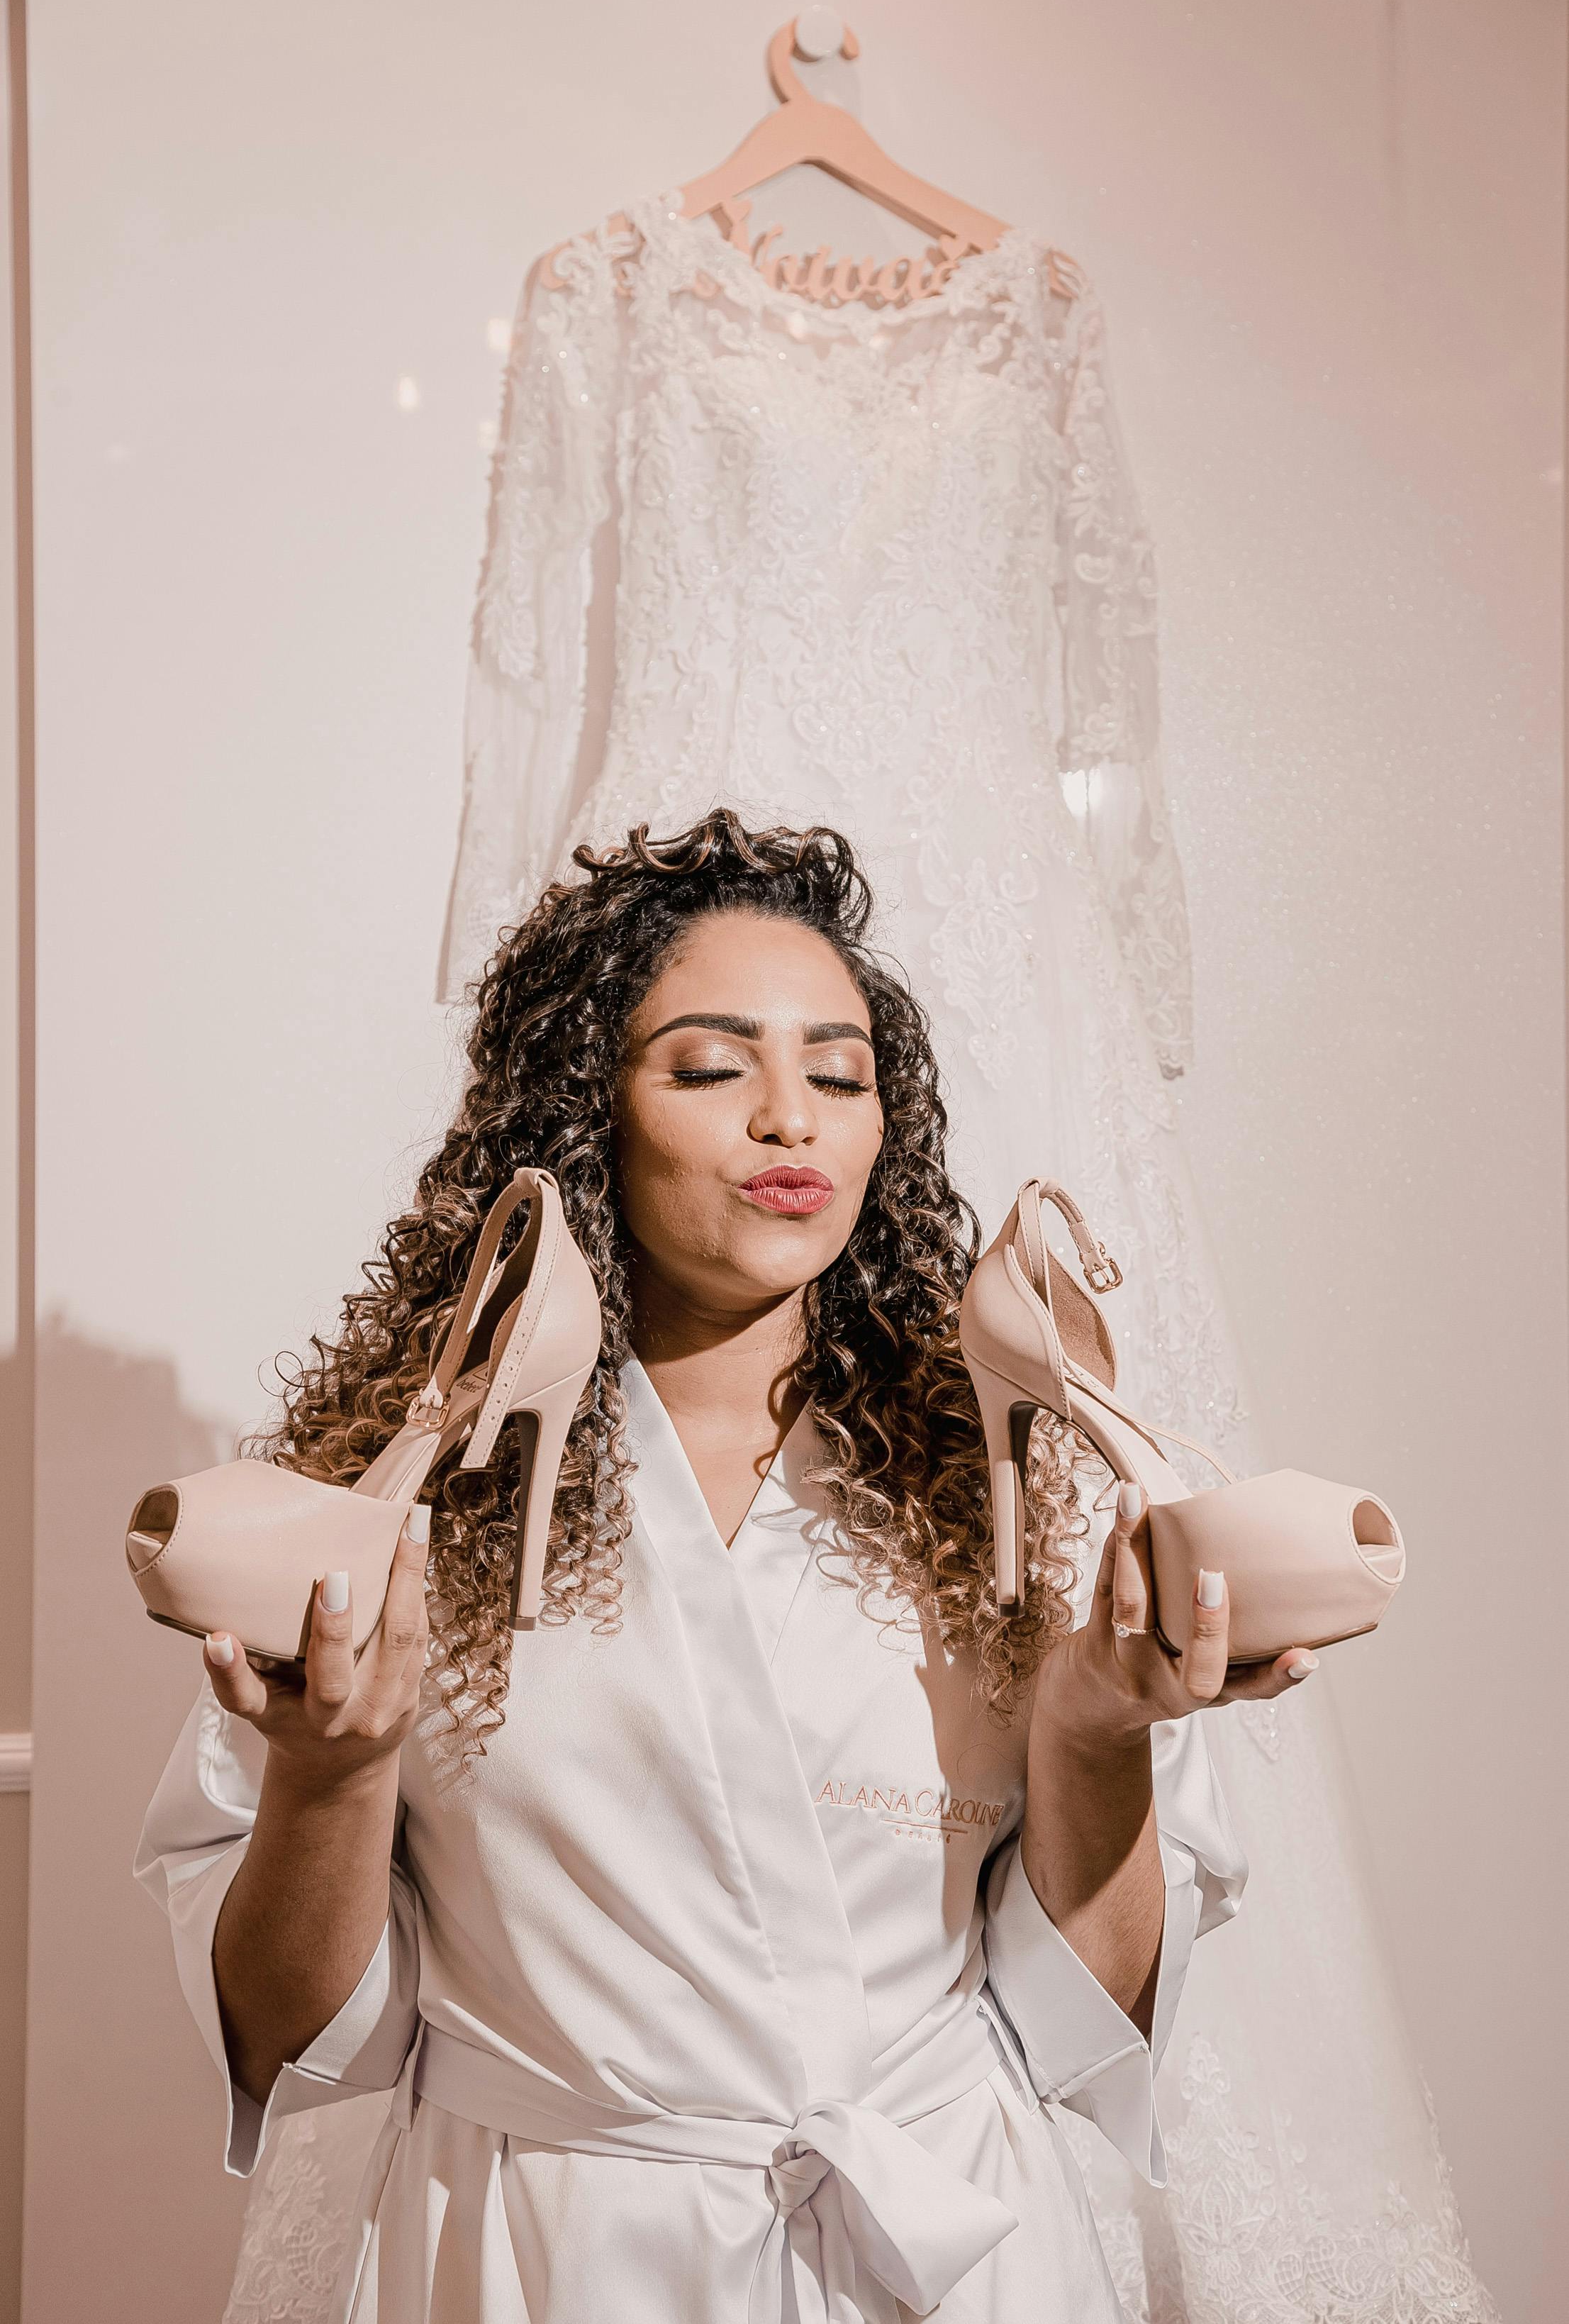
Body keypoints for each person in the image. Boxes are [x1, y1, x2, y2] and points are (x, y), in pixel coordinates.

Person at [138, 811, 1316, 2323]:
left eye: (840, 1074)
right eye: (711, 1068)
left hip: (952, 2256)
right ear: (584, 1119)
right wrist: (327, 1777)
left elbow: (1072, 2025)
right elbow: (291, 2051)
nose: (792, 1120)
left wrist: (1098, 1731)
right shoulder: (394, 1511)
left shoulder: (1016, 1497)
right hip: (552, 2260)